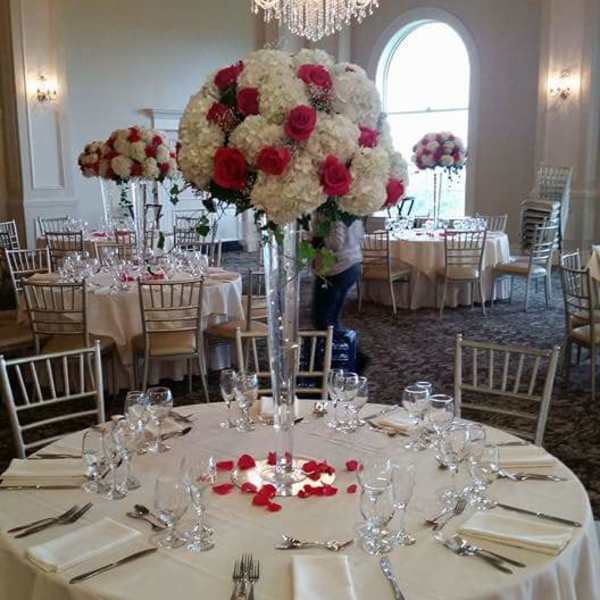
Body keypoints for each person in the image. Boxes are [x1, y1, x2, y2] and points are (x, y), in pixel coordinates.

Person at [312, 218, 364, 335]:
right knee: (332, 318)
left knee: (323, 320)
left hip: (336, 267)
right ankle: (336, 342)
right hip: (352, 263)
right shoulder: (352, 210)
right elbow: (360, 235)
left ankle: (332, 344)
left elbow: (335, 243)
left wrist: (316, 240)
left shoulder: (331, 211)